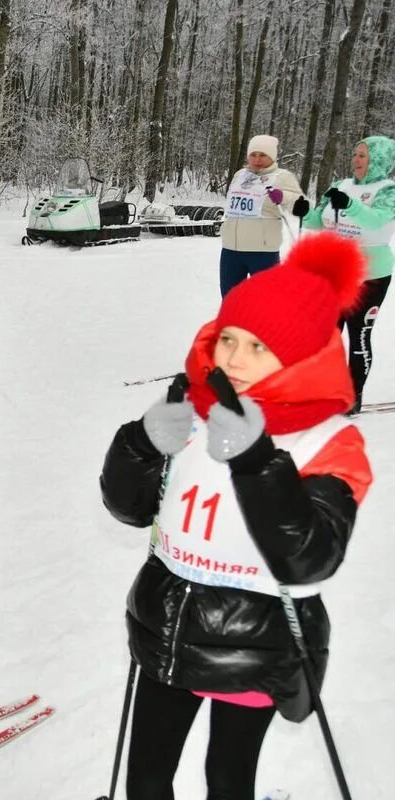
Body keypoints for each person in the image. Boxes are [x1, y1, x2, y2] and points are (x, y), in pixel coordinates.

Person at [99, 232, 372, 800]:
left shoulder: (329, 441)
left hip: (257, 641)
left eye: (259, 347)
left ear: (299, 355)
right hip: (168, 625)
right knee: (145, 779)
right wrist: (141, 445)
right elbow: (129, 508)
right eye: (229, 339)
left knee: (227, 778)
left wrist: (257, 463)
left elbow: (309, 558)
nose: (235, 360)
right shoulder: (193, 404)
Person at [303, 135, 395, 413]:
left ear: (378, 160)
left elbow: (376, 219)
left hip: (370, 274)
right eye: (355, 154)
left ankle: (353, 396)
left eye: (363, 156)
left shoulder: (388, 190)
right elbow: (319, 221)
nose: (355, 160)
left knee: (359, 335)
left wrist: (350, 205)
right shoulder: (340, 185)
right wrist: (301, 210)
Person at [219, 134, 307, 297]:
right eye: (253, 155)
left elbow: (302, 204)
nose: (257, 159)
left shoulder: (282, 176)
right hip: (231, 250)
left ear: (272, 157)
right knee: (230, 301)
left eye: (262, 155)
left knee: (265, 302)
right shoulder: (240, 175)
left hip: (262, 252)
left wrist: (283, 197)